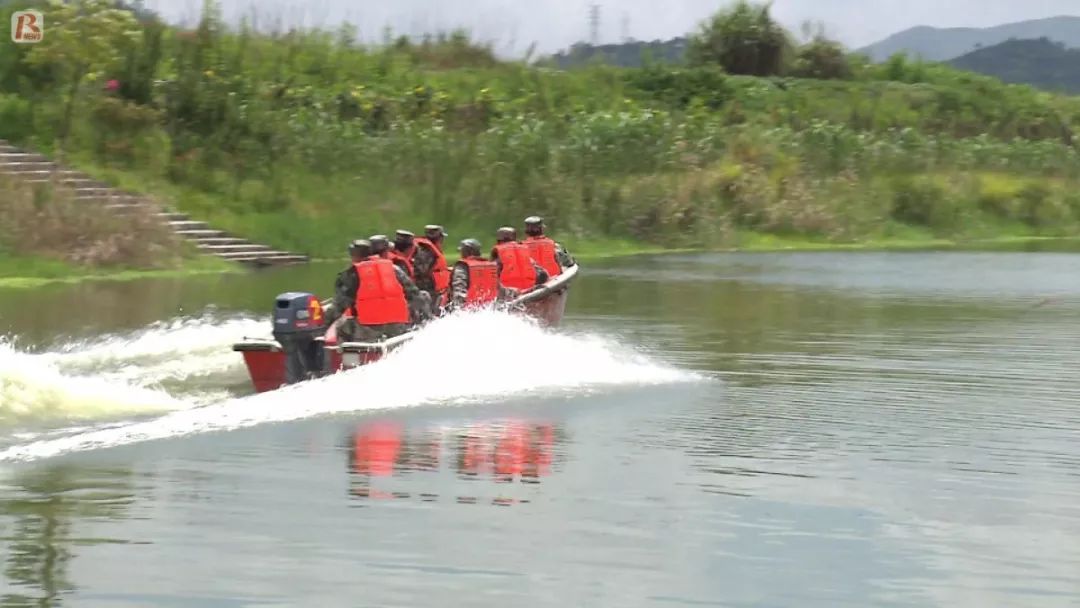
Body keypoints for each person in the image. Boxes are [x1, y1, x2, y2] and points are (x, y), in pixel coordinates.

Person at [334, 240, 432, 342]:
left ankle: (343, 354)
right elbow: (416, 296)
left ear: (353, 256)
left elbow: (339, 307)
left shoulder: (350, 274)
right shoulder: (394, 269)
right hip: (398, 327)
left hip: (368, 330)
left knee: (340, 326)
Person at [490, 226, 548, 294]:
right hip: (530, 288)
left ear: (499, 240)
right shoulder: (524, 250)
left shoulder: (499, 254)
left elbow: (492, 277)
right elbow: (543, 274)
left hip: (511, 292)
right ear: (515, 238)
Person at [447, 238, 500, 312]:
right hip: (490, 308)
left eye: (462, 251)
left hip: (469, 310)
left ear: (467, 252)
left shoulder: (462, 267)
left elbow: (459, 290)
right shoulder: (491, 266)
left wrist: (458, 311)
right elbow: (498, 287)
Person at [411, 225, 451, 315]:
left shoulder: (430, 249)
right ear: (438, 238)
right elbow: (420, 271)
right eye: (441, 237)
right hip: (427, 289)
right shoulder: (426, 251)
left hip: (433, 290)